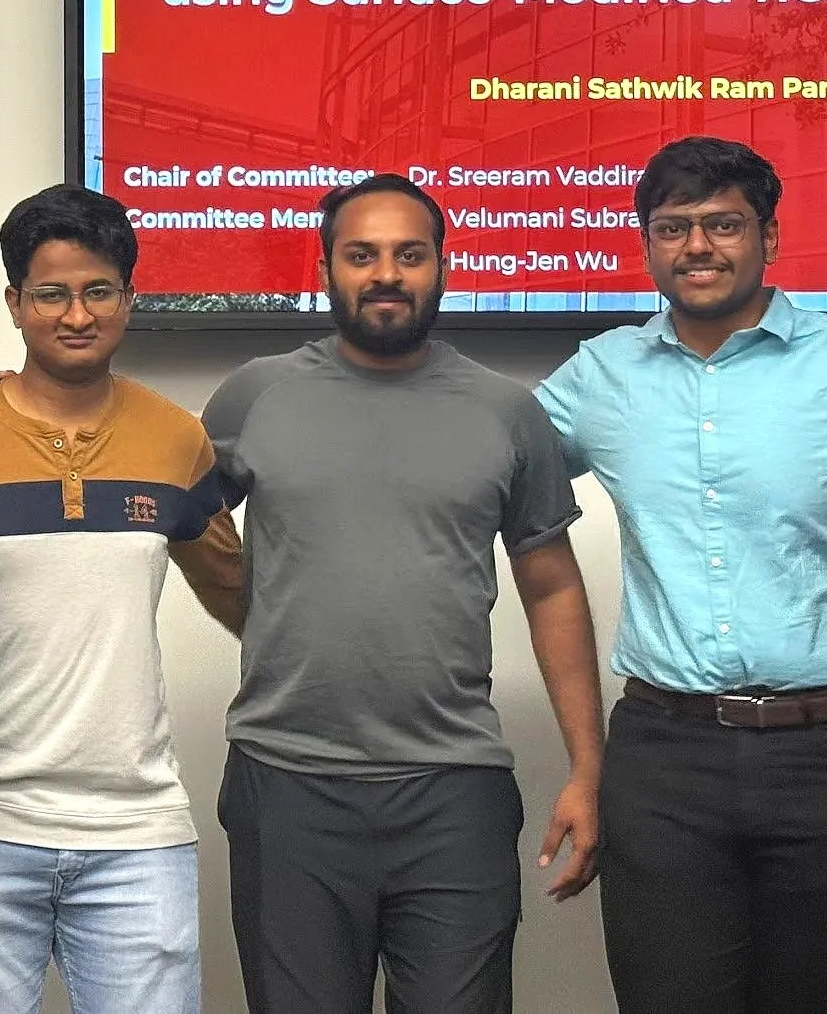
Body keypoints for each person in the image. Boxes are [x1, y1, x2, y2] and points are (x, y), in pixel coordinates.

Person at [534, 135, 827, 1014]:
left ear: (771, 238)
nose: (697, 247)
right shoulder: (602, 374)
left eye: (724, 224)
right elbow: (479, 479)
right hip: (665, 762)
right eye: (673, 227)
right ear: (647, 245)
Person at [206, 173, 604, 1014]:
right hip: (287, 784)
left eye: (409, 255)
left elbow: (552, 589)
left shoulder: (506, 410)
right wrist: (261, 613)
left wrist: (587, 767)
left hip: (454, 791)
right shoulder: (255, 394)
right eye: (362, 255)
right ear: (326, 270)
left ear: (441, 268)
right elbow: (180, 518)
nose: (386, 274)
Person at [0, 184, 243, 1014]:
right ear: (15, 303)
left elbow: (245, 599)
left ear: (129, 298)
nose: (77, 315)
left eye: (99, 291)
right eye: (51, 294)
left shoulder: (177, 436)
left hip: (138, 832)